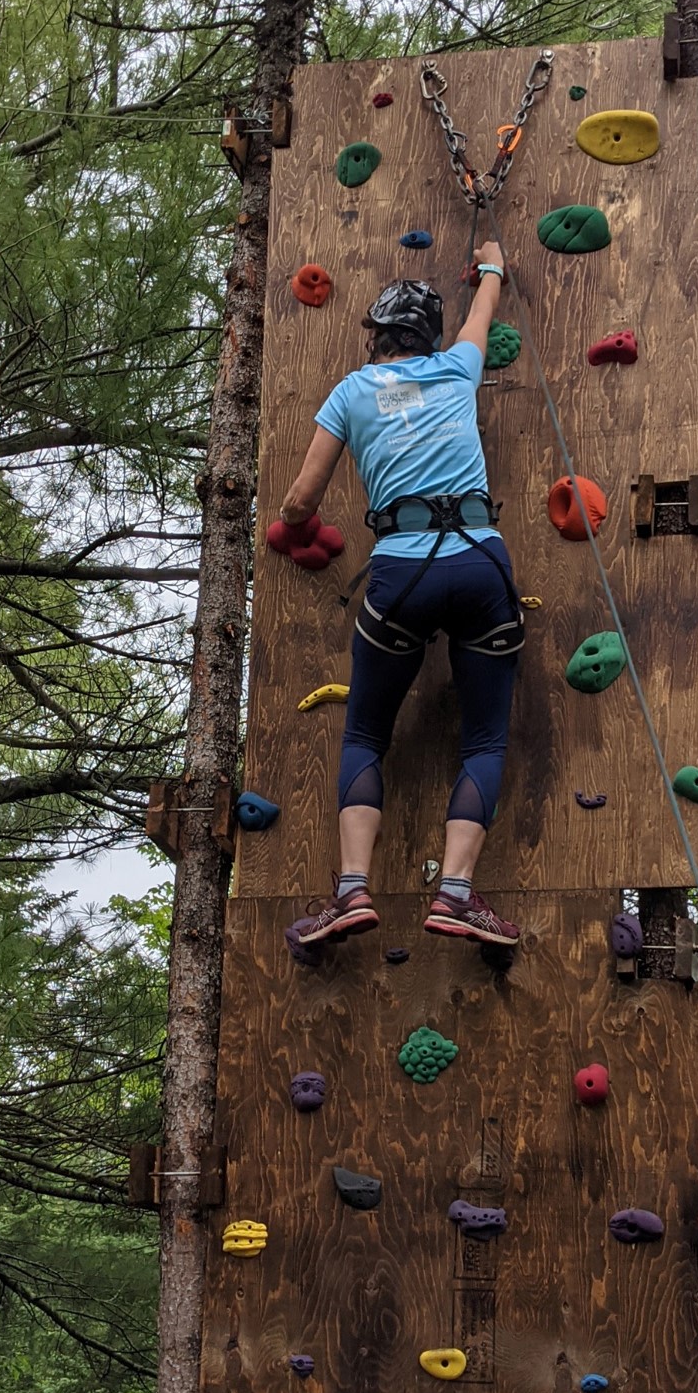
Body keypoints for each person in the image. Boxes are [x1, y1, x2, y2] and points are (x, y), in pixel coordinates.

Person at [279, 241, 524, 951]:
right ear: (428, 340)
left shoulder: (352, 391)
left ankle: (353, 889)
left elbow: (301, 498)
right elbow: (484, 311)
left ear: (376, 338)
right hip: (481, 564)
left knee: (364, 734)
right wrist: (493, 264)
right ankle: (454, 894)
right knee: (482, 737)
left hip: (400, 576)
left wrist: (296, 525)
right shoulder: (457, 369)